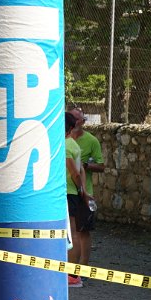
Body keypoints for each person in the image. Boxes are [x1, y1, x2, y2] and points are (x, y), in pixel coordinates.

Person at [65, 111, 95, 288]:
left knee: (72, 234)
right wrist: (83, 190)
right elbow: (81, 171)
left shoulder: (66, 145)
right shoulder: (74, 144)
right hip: (72, 193)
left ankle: (72, 276)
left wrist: (81, 190)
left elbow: (75, 173)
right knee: (73, 233)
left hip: (68, 193)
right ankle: (72, 274)